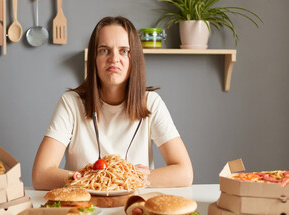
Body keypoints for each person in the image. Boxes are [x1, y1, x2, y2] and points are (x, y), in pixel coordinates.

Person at [32, 16, 193, 190]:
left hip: (133, 206)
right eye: (104, 50)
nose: (114, 58)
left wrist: (130, 177)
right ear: (94, 58)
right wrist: (97, 178)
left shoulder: (151, 102)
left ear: (135, 59)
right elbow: (40, 176)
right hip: (83, 207)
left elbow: (185, 173)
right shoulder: (71, 103)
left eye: (124, 51)